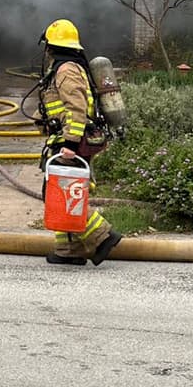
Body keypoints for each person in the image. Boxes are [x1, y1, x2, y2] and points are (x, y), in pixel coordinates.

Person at [37, 18, 122, 266]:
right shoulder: (69, 67)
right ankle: (68, 250)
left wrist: (70, 145)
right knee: (62, 192)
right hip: (66, 137)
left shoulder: (65, 70)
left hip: (72, 140)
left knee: (63, 195)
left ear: (52, 47)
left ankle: (103, 236)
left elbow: (76, 109)